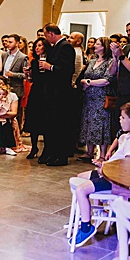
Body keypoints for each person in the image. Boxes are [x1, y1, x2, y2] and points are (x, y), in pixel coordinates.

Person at [70, 100, 130, 248]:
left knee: (82, 190)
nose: (120, 120)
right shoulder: (129, 136)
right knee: (80, 177)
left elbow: (126, 164)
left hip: (114, 179)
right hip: (108, 173)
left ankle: (86, 227)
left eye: (122, 117)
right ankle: (96, 211)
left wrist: (105, 168)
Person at [37, 24, 79, 166]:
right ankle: (52, 153)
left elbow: (67, 69)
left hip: (60, 92)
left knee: (60, 125)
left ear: (50, 34)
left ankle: (61, 156)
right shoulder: (56, 46)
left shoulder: (65, 46)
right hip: (52, 92)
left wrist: (50, 67)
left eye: (45, 35)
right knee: (52, 124)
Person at [78, 37, 116, 162]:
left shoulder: (109, 62)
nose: (95, 46)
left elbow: (106, 80)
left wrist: (89, 82)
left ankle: (102, 155)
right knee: (88, 123)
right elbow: (85, 75)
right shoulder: (92, 61)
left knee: (101, 125)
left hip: (101, 96)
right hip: (89, 97)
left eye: (98, 44)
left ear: (104, 47)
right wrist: (85, 82)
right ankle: (89, 151)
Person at [0, 34, 29, 152]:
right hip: (4, 87)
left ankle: (16, 137)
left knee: (15, 114)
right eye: (7, 42)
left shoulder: (23, 57)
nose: (8, 44)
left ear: (17, 43)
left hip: (15, 87)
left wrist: (13, 75)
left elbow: (25, 75)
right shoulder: (4, 55)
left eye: (10, 42)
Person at [24, 37, 51, 159]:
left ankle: (46, 149)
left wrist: (47, 68)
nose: (37, 48)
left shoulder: (50, 61)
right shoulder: (34, 62)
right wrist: (27, 75)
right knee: (33, 119)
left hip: (47, 92)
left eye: (40, 45)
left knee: (45, 121)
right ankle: (34, 146)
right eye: (36, 46)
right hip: (36, 91)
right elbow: (32, 79)